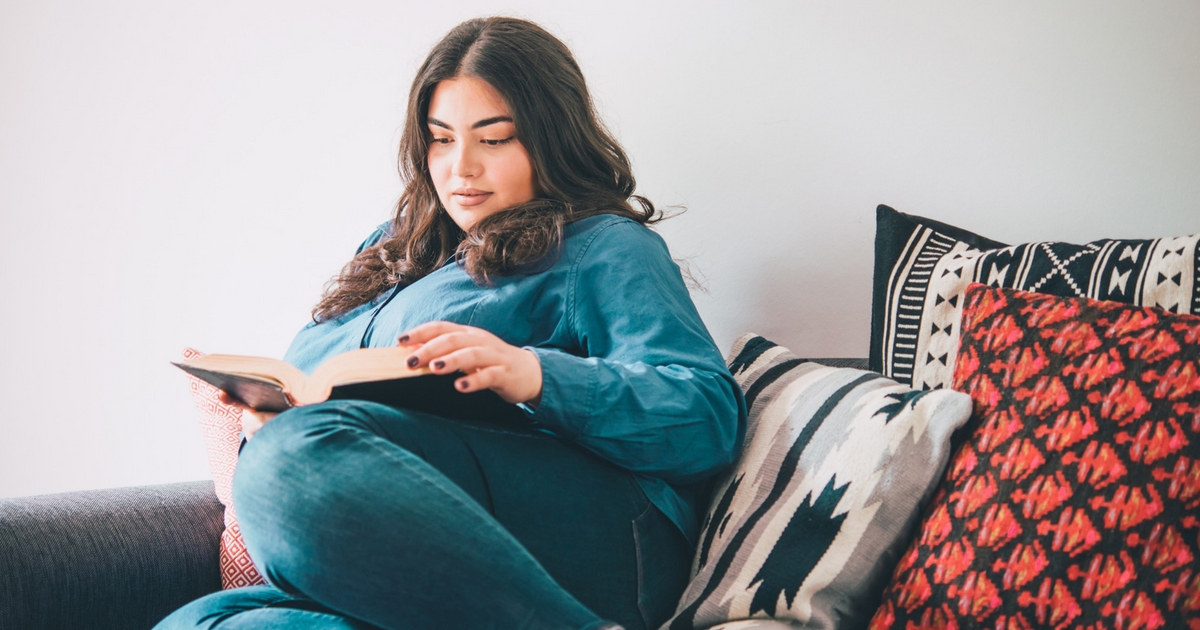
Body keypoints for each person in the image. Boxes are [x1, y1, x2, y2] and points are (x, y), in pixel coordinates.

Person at [157, 16, 745, 630]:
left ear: (551, 139)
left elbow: (710, 419)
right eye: (441, 139)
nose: (461, 167)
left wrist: (535, 375)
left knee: (296, 454)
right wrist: (269, 418)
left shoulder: (601, 247)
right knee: (205, 623)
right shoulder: (389, 250)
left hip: (582, 542)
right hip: (405, 551)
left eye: (493, 139)